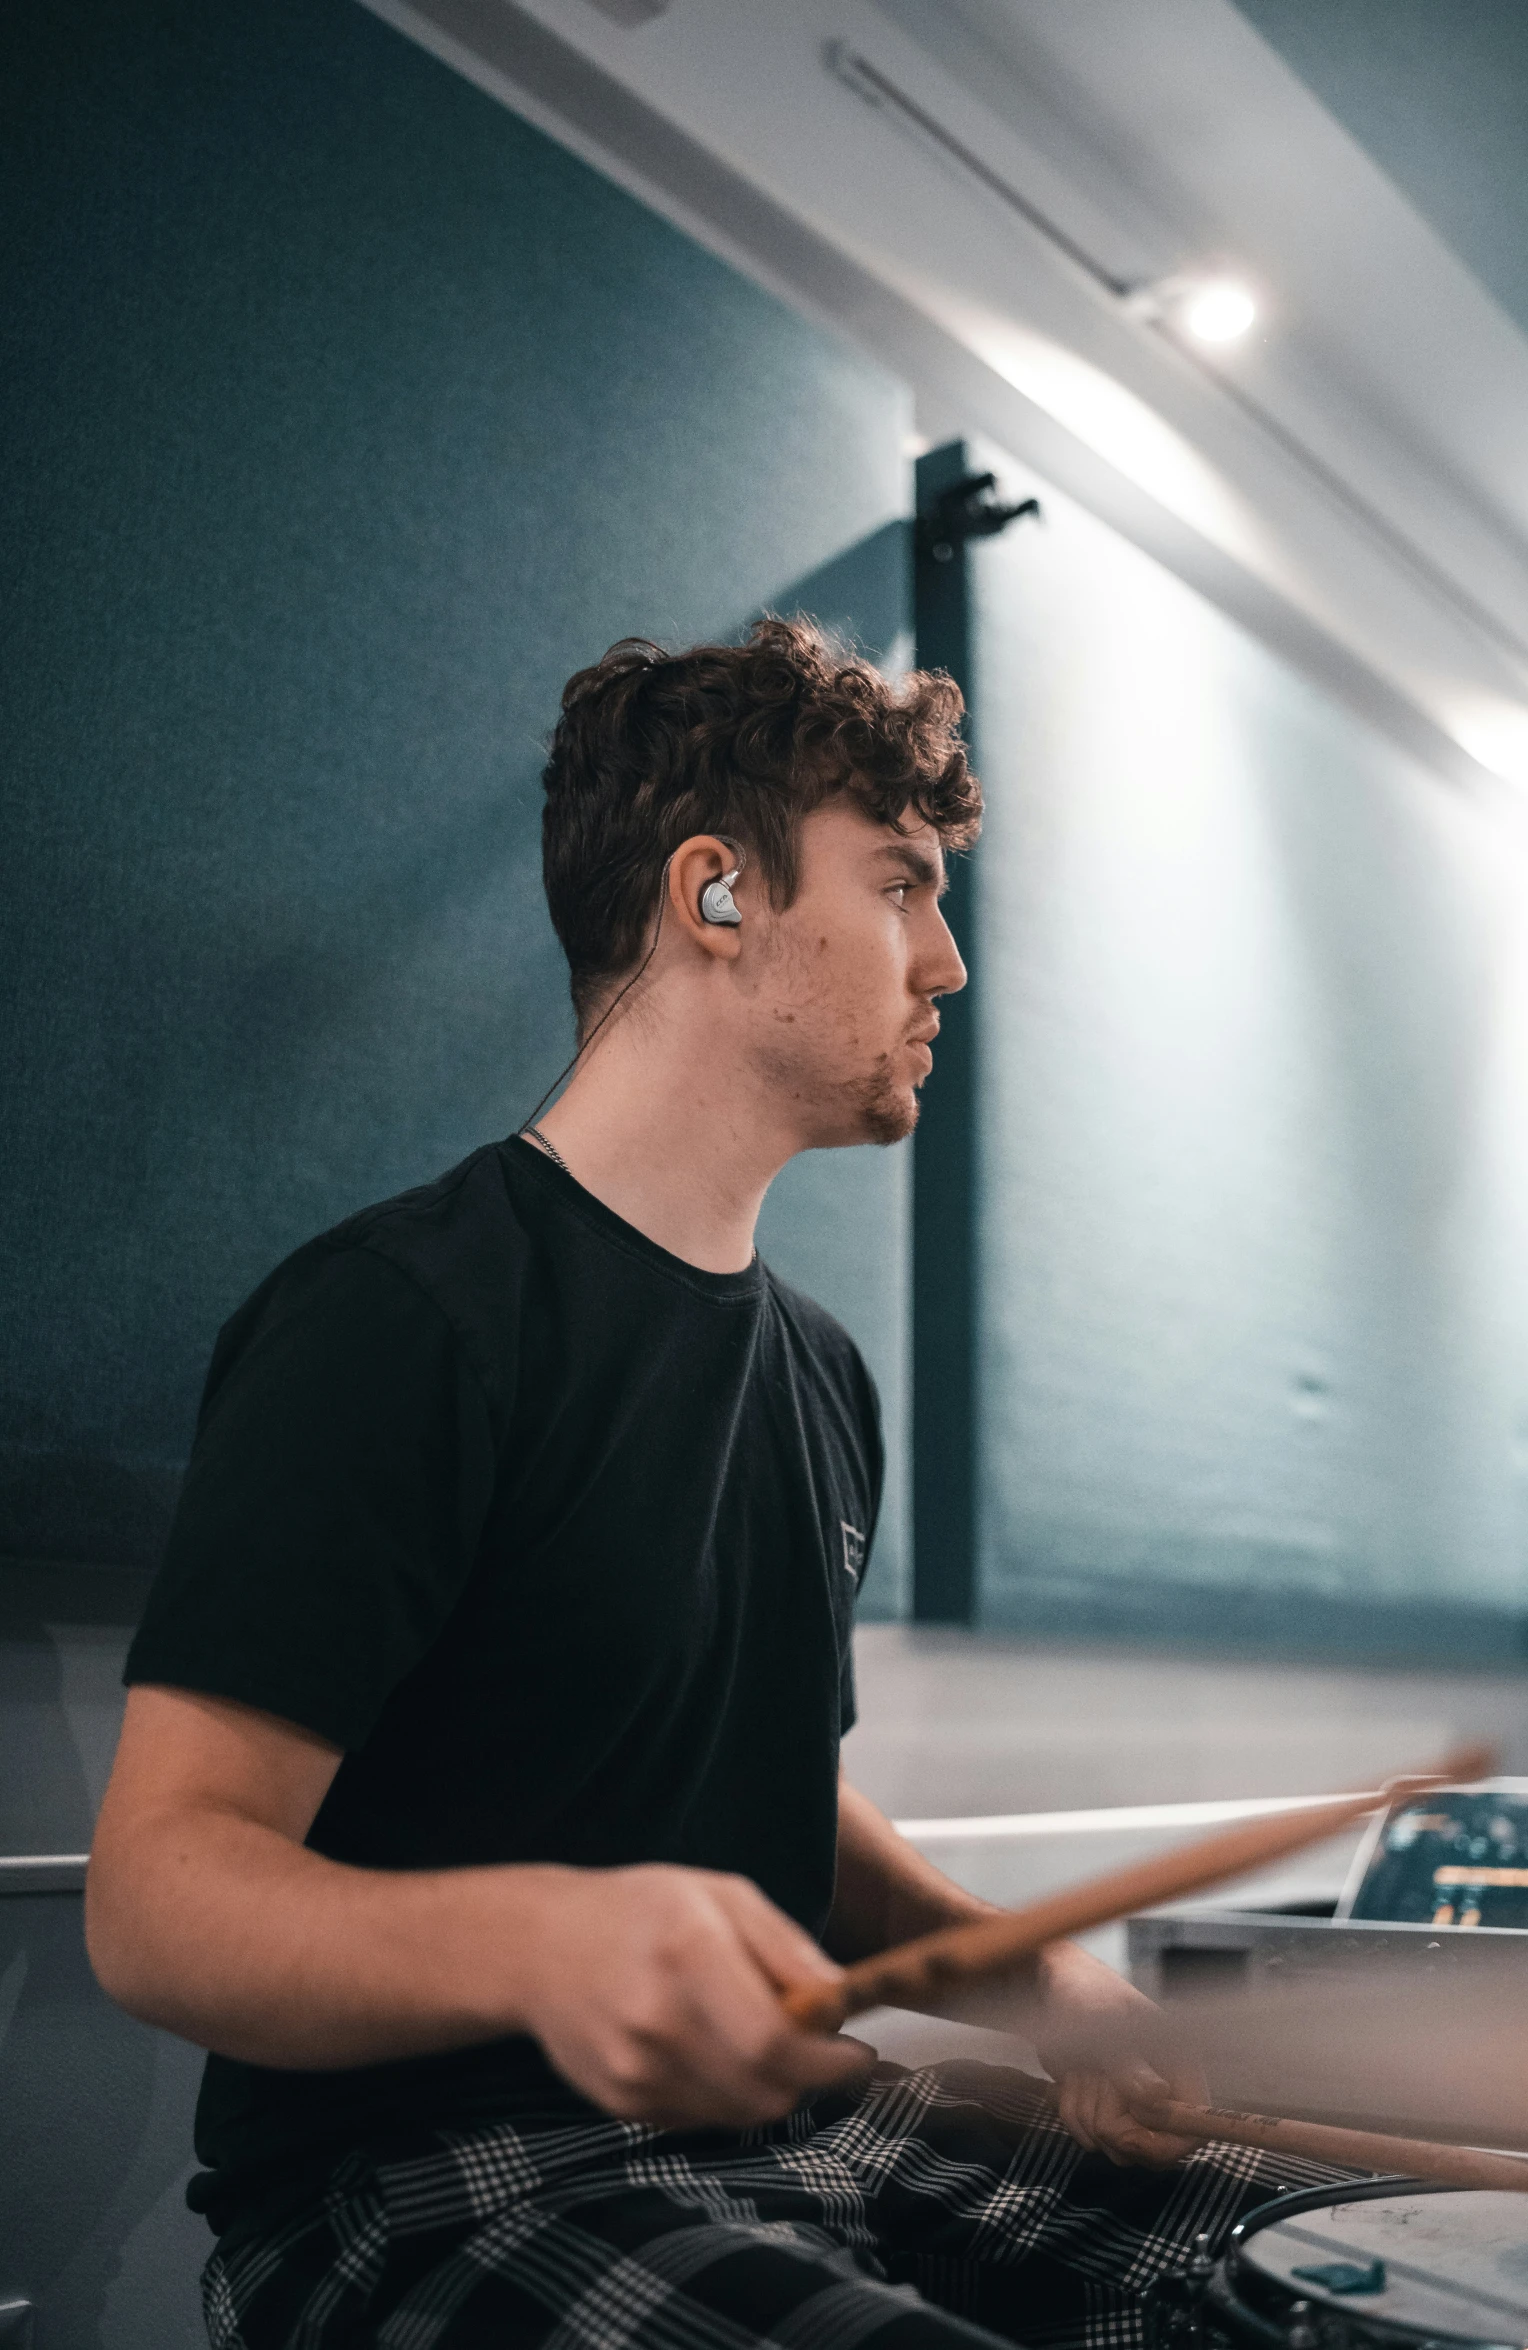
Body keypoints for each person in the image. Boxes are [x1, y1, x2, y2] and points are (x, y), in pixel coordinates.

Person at [88, 621, 1335, 2350]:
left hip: (784, 2128)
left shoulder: (820, 1376)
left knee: (1336, 2267)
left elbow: (766, 1814)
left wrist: (1037, 1975)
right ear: (716, 893)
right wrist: (541, 1944)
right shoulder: (403, 1319)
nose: (946, 961)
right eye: (900, 883)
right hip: (428, 2180)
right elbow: (156, 1898)